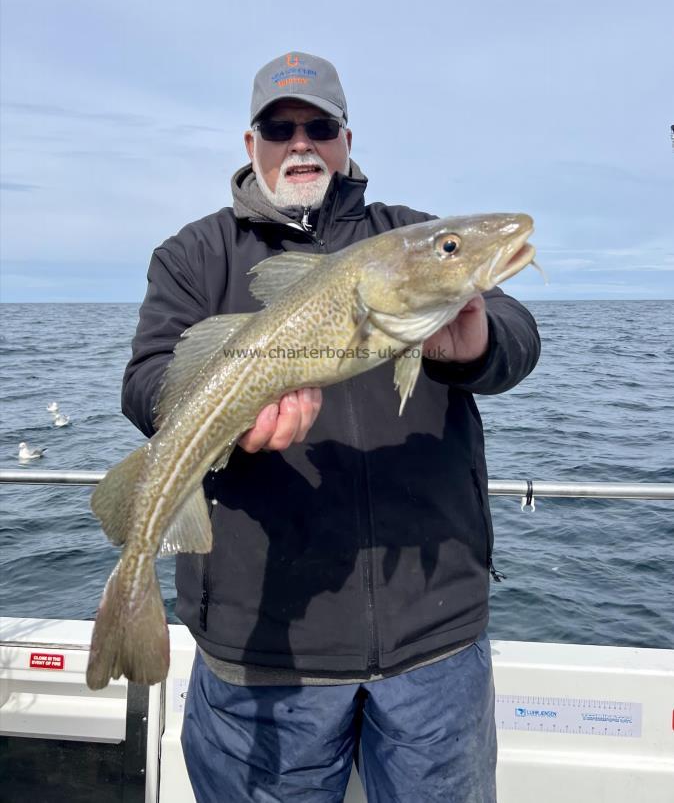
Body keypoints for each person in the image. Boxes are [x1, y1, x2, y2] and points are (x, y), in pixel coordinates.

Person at [122, 51, 541, 802]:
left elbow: (515, 334)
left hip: (432, 642)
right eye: (279, 127)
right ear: (251, 146)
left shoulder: (408, 236)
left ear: (348, 139)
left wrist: (472, 342)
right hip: (265, 653)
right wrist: (229, 419)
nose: (302, 142)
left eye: (321, 126)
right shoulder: (194, 255)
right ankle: (126, 601)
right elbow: (150, 378)